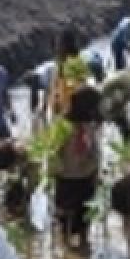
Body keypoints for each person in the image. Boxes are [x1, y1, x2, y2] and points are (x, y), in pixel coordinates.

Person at [55, 86, 102, 248]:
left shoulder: (89, 125)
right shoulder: (63, 125)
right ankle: (68, 254)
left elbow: (95, 152)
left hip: (85, 177)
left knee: (84, 219)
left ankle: (81, 250)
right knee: (65, 220)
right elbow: (54, 152)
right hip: (67, 177)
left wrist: (96, 174)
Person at [0, 138, 37, 219]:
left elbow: (31, 181)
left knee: (23, 183)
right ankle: (15, 209)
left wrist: (26, 199)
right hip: (1, 154)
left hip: (18, 152)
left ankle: (20, 210)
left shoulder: (22, 154)